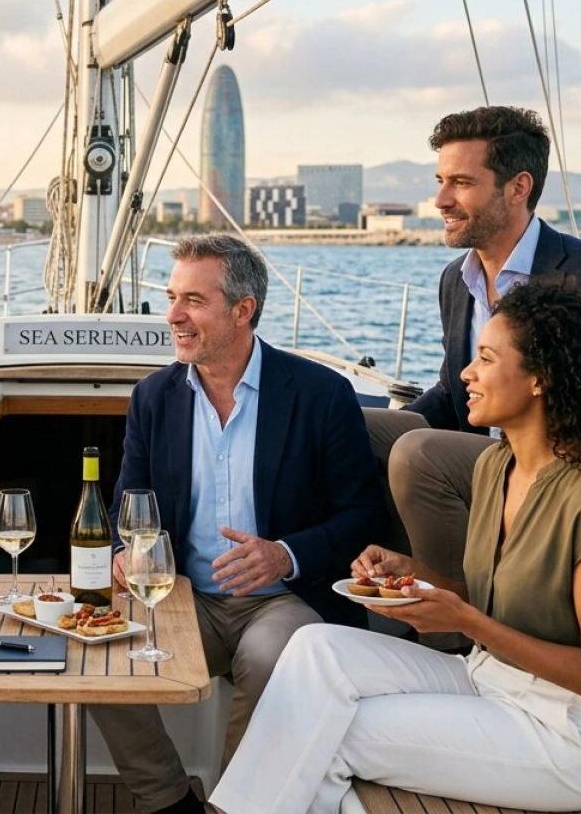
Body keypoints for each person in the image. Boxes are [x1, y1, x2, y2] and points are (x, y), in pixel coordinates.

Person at [210, 281, 581, 814]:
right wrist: (410, 575)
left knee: (327, 733)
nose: (466, 373)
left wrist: (467, 623)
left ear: (540, 379)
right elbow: (491, 598)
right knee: (315, 647)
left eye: (486, 358)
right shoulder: (495, 468)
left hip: (567, 730)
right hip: (488, 676)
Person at [88, 234, 388, 814]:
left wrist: (286, 554)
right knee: (101, 659)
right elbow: (132, 503)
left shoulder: (321, 394)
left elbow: (363, 516)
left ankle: (234, 806)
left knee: (274, 654)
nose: (173, 315)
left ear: (243, 310)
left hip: (284, 599)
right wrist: (130, 552)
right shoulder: (153, 397)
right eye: (172, 297)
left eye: (192, 301)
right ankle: (168, 801)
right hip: (181, 597)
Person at [364, 105, 581, 651]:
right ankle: (336, 580)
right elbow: (452, 389)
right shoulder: (457, 279)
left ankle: (455, 635)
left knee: (417, 452)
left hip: (555, 469)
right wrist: (391, 423)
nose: (442, 200)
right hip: (485, 452)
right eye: (440, 181)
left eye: (462, 182)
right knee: (348, 424)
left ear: (519, 187)